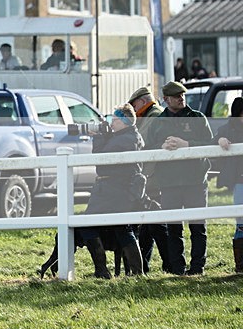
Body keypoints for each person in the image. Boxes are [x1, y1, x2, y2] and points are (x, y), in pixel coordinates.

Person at [148, 81, 214, 275]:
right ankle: (178, 268)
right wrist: (161, 147)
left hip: (195, 181)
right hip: (169, 183)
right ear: (166, 99)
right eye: (176, 96)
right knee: (173, 228)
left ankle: (197, 268)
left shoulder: (198, 118)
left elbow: (210, 145)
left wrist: (187, 144)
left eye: (182, 95)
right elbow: (147, 148)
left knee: (197, 227)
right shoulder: (157, 123)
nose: (181, 98)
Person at [80, 104, 146, 278]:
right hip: (114, 190)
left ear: (125, 122)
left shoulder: (126, 139)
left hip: (114, 191)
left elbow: (102, 161)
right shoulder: (127, 136)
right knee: (121, 228)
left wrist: (99, 137)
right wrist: (105, 135)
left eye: (114, 120)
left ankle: (103, 270)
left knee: (88, 226)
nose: (111, 123)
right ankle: (135, 272)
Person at [127, 87, 170, 273]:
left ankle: (169, 264)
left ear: (143, 102)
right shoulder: (151, 115)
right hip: (151, 178)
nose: (133, 109)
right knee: (148, 226)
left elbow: (143, 142)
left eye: (134, 105)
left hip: (155, 179)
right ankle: (143, 265)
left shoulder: (154, 117)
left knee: (156, 226)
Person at [214, 97, 243, 273]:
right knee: (240, 221)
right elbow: (215, 138)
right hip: (240, 180)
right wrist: (220, 140)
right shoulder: (228, 129)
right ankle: (240, 265)